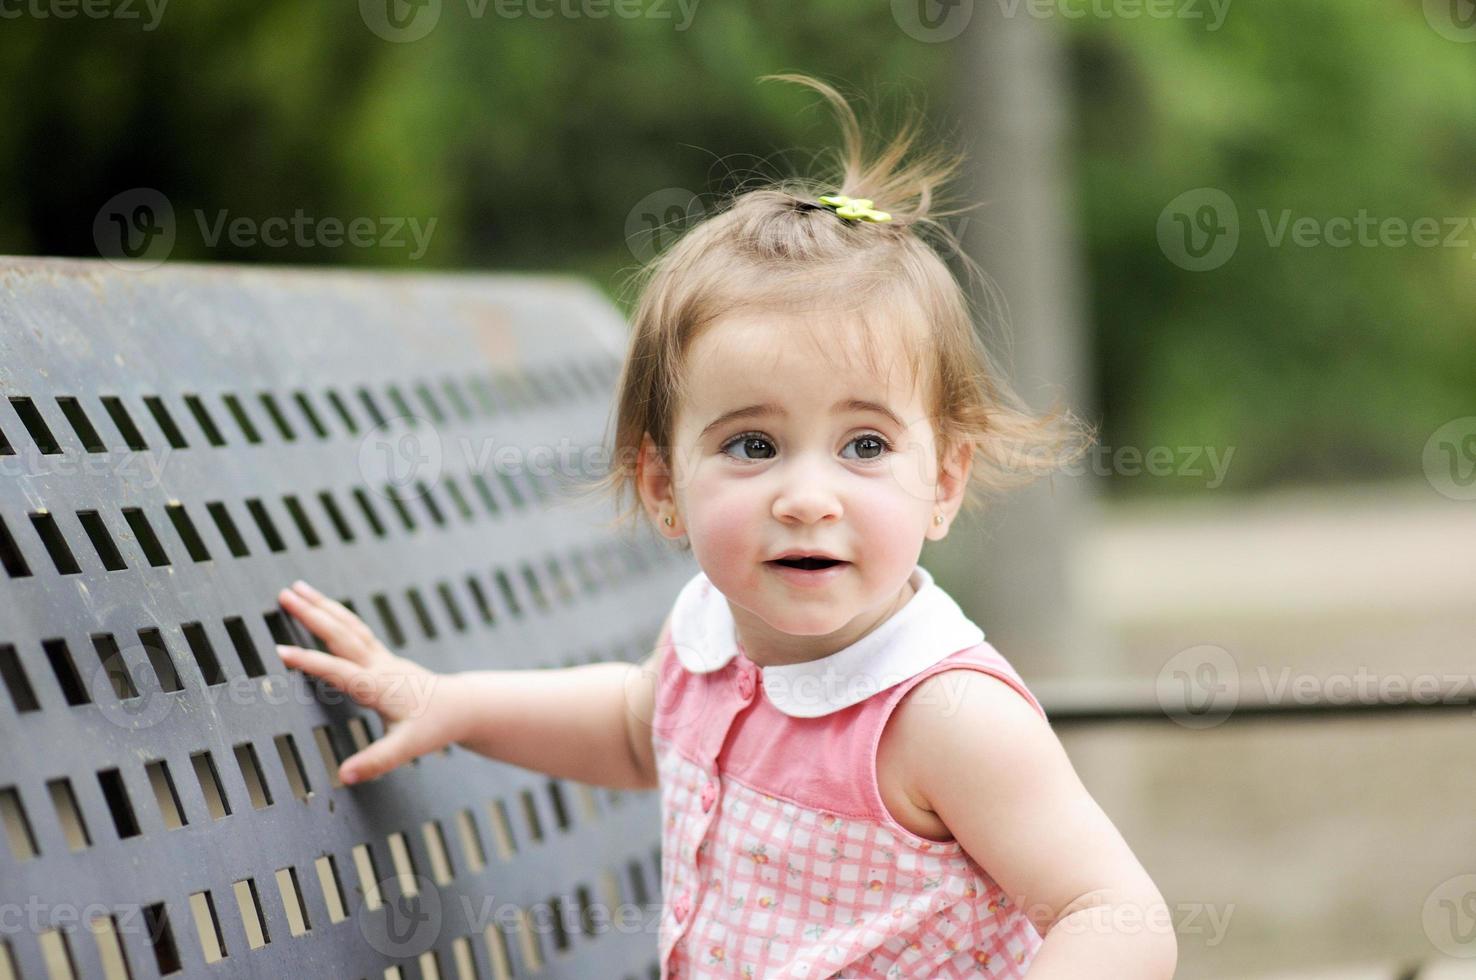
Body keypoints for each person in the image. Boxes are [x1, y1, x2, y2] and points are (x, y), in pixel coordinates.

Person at [275, 73, 1177, 979]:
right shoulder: (707, 636)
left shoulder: (944, 715)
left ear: (942, 482)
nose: (807, 496)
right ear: (664, 486)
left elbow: (1115, 913)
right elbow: (635, 725)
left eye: (863, 444)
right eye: (753, 444)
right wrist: (446, 702)